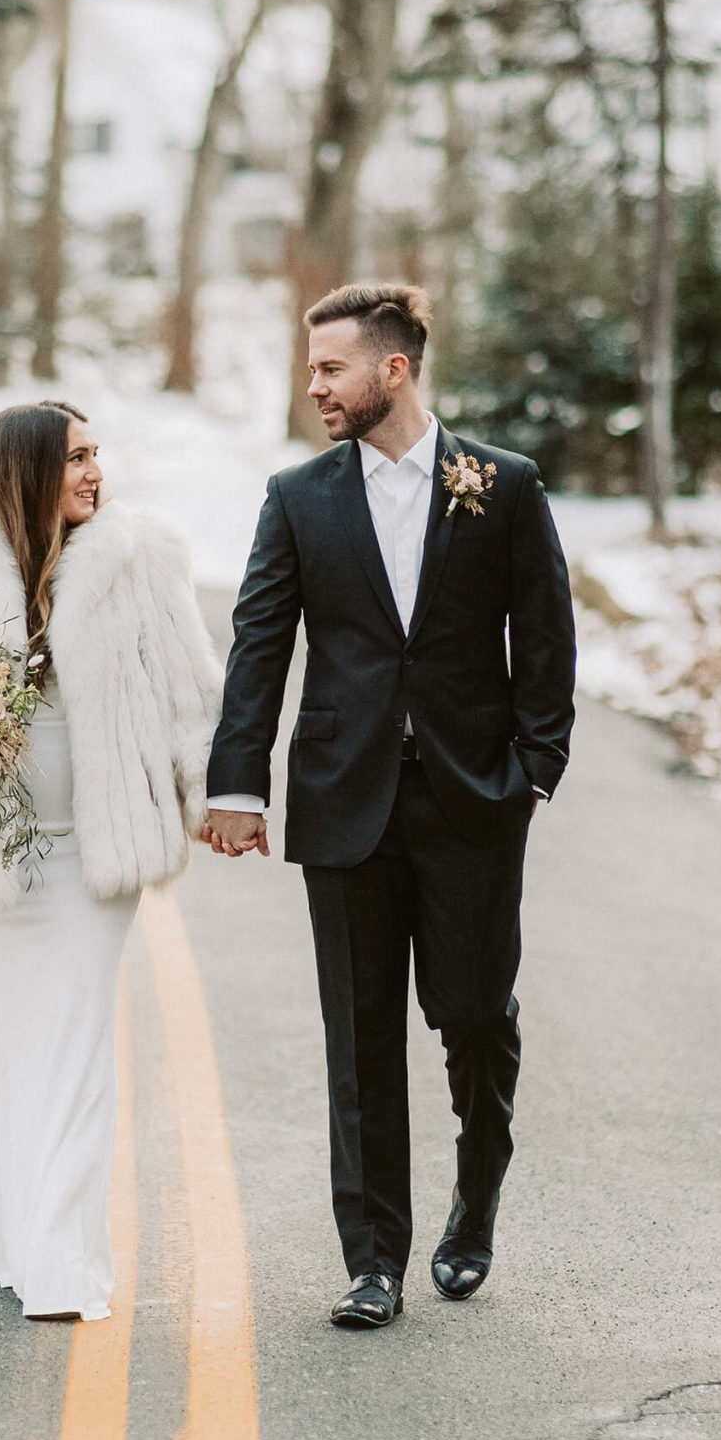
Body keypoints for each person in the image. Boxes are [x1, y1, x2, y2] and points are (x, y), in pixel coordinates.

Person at [203, 284, 576, 1329]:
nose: (314, 386)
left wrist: (532, 774)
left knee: (470, 1015)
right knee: (360, 1037)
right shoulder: (299, 497)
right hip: (343, 801)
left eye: (330, 368)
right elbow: (259, 644)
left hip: (472, 803)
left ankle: (477, 1186)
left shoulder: (501, 487)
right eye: (312, 370)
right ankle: (372, 1261)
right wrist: (238, 780)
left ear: (393, 370)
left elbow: (545, 643)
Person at [0, 400, 221, 1321]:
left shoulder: (141, 558)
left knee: (73, 1043)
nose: (94, 473)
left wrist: (217, 797)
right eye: (74, 458)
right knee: (2, 1039)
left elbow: (195, 690)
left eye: (96, 455)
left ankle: (63, 1262)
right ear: (25, 471)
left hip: (93, 849)